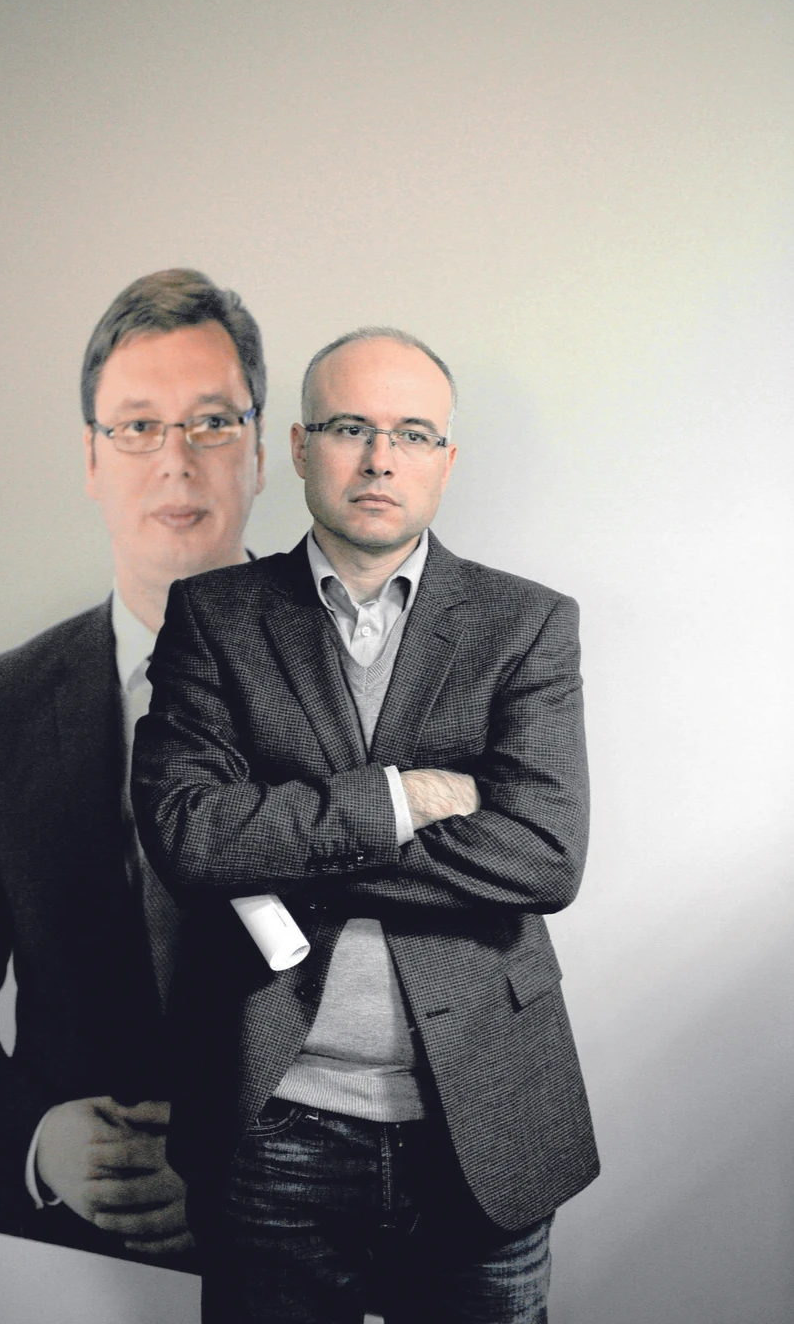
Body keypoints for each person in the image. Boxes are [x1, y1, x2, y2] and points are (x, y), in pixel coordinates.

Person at [132, 326, 599, 1322]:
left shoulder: (526, 624)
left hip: (482, 1116)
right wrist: (407, 798)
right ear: (301, 448)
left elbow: (545, 855)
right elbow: (185, 836)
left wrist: (277, 839)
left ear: (445, 459)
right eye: (350, 427)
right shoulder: (213, 617)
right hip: (274, 1122)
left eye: (412, 433)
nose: (381, 457)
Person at [0, 268, 267, 1265]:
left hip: (297, 1256)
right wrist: (39, 1143)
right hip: (63, 1260)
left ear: (262, 452)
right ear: (92, 460)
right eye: (137, 426)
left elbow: (411, 1022)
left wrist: (237, 1162)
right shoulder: (4, 703)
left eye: (211, 422)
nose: (175, 460)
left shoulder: (368, 692)